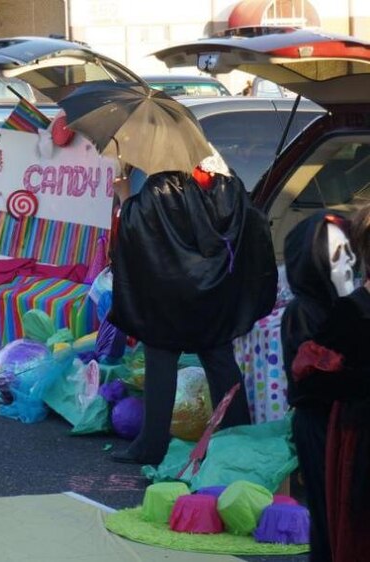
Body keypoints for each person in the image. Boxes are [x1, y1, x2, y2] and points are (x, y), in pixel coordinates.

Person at [109, 148, 278, 465]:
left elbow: (135, 230)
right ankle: (237, 437)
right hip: (215, 291)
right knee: (220, 360)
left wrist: (124, 195)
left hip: (170, 293)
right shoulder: (228, 181)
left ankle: (151, 445)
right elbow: (251, 223)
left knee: (160, 360)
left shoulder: (160, 187)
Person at [281, 211, 360, 562]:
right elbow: (317, 375)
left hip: (348, 424)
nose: (348, 263)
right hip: (322, 425)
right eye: (338, 255)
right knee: (330, 515)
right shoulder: (303, 311)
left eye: (351, 253)